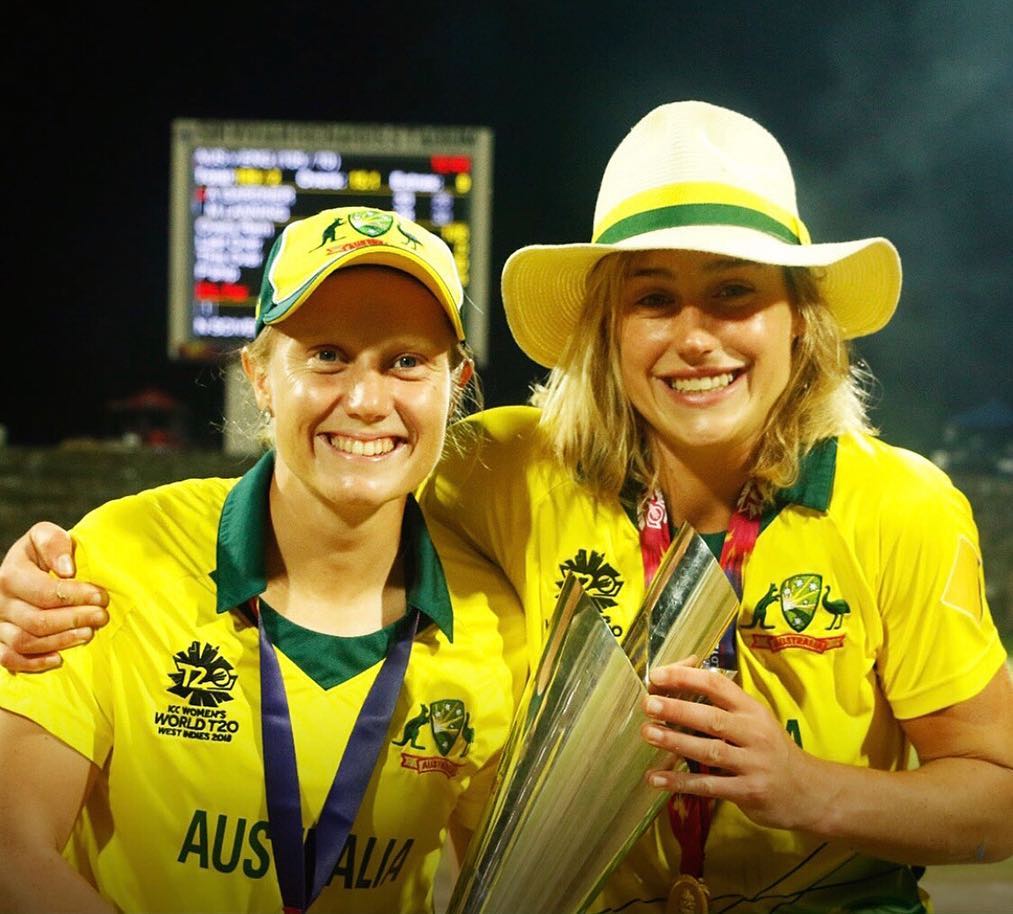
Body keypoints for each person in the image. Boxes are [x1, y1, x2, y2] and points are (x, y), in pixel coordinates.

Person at [3, 101, 1011, 914]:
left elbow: (999, 793)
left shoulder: (898, 505)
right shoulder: (507, 468)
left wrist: (807, 789)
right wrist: (53, 568)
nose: (694, 336)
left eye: (734, 292)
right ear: (604, 329)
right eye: (653, 297)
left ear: (800, 320)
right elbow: (330, 470)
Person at [0, 207, 526, 913]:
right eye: (327, 355)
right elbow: (13, 848)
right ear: (259, 377)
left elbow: (517, 883)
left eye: (406, 361)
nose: (368, 401)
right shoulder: (120, 555)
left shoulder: (495, 628)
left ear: (454, 382)